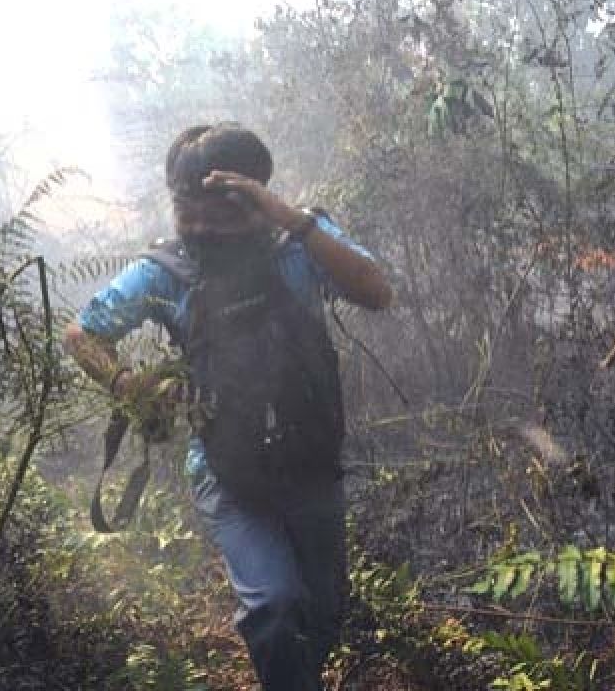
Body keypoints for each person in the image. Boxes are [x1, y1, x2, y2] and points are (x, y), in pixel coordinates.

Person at [64, 123, 391, 691]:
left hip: (312, 463)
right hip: (225, 469)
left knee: (323, 609)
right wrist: (128, 385)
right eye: (185, 210)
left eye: (216, 213)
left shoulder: (297, 245)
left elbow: (376, 292)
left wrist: (291, 218)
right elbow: (82, 334)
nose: (198, 227)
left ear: (253, 199)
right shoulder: (169, 271)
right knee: (273, 605)